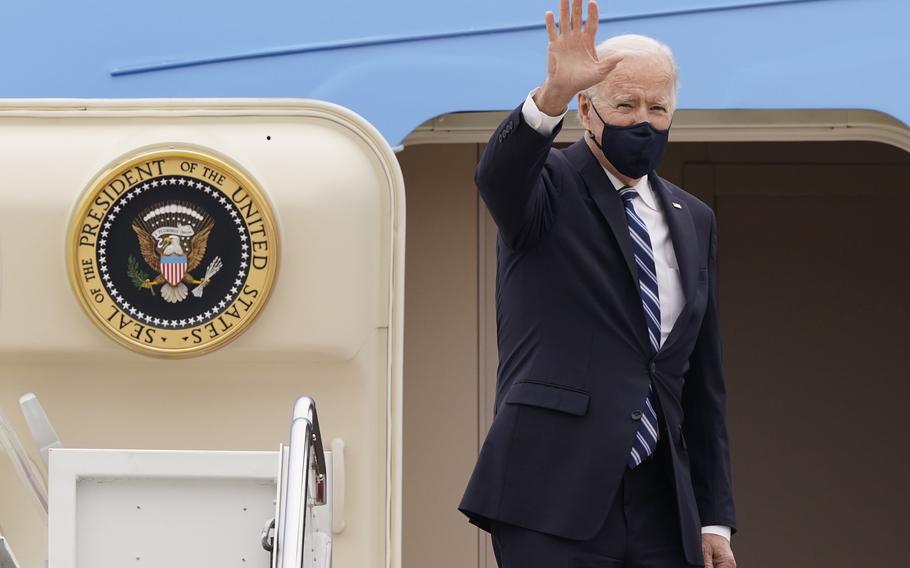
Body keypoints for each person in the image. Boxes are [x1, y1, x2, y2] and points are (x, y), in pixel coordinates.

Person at [457, 1, 737, 566]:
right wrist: (551, 94)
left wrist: (715, 518)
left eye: (658, 108)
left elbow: (701, 382)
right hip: (552, 494)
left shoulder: (693, 217)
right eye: (625, 104)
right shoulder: (547, 186)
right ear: (588, 111)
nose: (643, 120)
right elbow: (498, 175)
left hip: (662, 501)